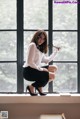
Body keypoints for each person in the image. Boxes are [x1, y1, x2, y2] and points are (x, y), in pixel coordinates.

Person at [23, 30, 60, 96]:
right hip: (29, 71)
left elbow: (47, 60)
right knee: (52, 76)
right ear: (36, 37)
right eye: (40, 37)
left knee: (54, 68)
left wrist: (56, 52)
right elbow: (30, 62)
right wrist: (42, 69)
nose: (41, 40)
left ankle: (35, 86)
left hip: (35, 69)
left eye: (43, 39)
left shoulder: (39, 48)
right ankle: (35, 86)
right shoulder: (32, 45)